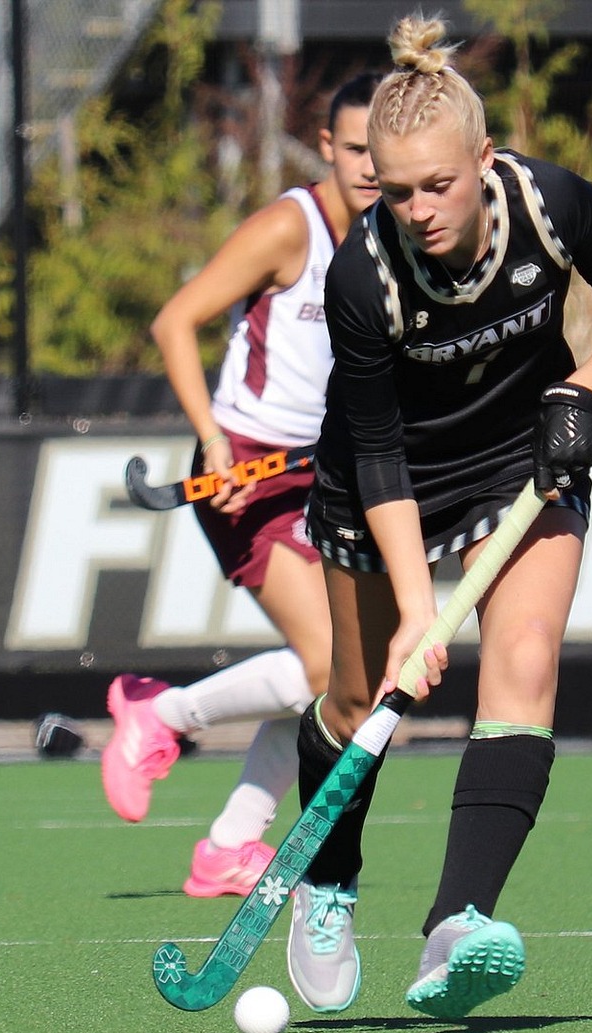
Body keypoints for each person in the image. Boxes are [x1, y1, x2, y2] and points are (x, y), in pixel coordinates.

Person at [278, 14, 592, 1019]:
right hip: (387, 479)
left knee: (528, 658)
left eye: (437, 185)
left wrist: (578, 395)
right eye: (394, 190)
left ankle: (457, 925)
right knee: (358, 699)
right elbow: (375, 451)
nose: (417, 209)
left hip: (519, 459)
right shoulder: (363, 277)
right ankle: (327, 882)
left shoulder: (554, 208)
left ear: (483, 161)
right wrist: (418, 606)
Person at [100, 75, 381, 900]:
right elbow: (174, 320)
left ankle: (228, 844)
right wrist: (216, 442)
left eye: (384, 151)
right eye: (356, 148)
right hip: (246, 472)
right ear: (327, 146)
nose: (371, 167)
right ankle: (163, 719)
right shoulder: (289, 228)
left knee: (340, 680)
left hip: (327, 474)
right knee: (331, 666)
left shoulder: (398, 236)